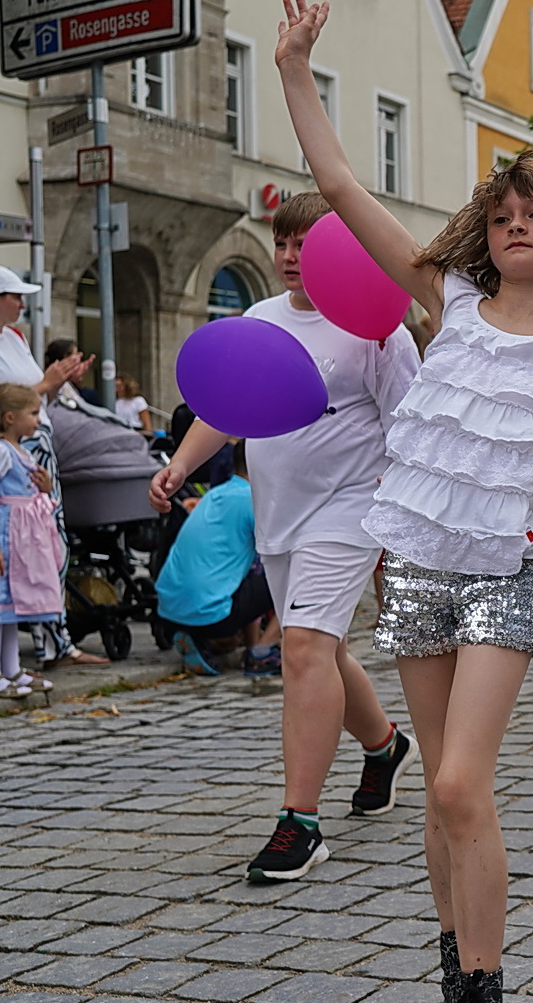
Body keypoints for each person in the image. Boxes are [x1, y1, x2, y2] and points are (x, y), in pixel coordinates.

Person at [272, 0, 533, 1003]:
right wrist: (294, 70)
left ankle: (484, 1002)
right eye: (502, 213)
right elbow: (341, 186)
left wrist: (510, 493)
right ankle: (458, 984)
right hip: (416, 567)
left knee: (456, 780)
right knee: (441, 796)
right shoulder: (449, 300)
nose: (514, 224)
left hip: (503, 571)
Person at [149, 188, 422, 882]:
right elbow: (226, 407)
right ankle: (385, 745)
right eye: (283, 242)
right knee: (321, 647)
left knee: (301, 646)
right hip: (278, 512)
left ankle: (300, 821)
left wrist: (400, 511)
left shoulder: (377, 328)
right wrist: (180, 464)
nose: (292, 256)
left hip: (351, 508)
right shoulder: (261, 317)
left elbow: (411, 425)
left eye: (308, 244)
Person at [0, 264, 106, 669]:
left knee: (47, 545)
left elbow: (29, 400)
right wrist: (48, 383)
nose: (21, 304)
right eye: (15, 296)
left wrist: (57, 383)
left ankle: (52, 643)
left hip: (33, 448)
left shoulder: (14, 338)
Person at [155, 441, 281, 677]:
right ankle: (262, 652)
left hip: (167, 612)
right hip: (213, 617)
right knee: (297, 572)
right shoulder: (254, 500)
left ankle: (203, 639)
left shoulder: (215, 494)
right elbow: (279, 556)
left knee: (245, 568)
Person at [0, 384, 60, 700]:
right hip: (5, 534)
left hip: (23, 538)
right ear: (10, 417)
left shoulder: (22, 451)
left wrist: (45, 487)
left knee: (11, 604)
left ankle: (11, 668)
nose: (38, 420)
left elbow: (31, 494)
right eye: (33, 413)